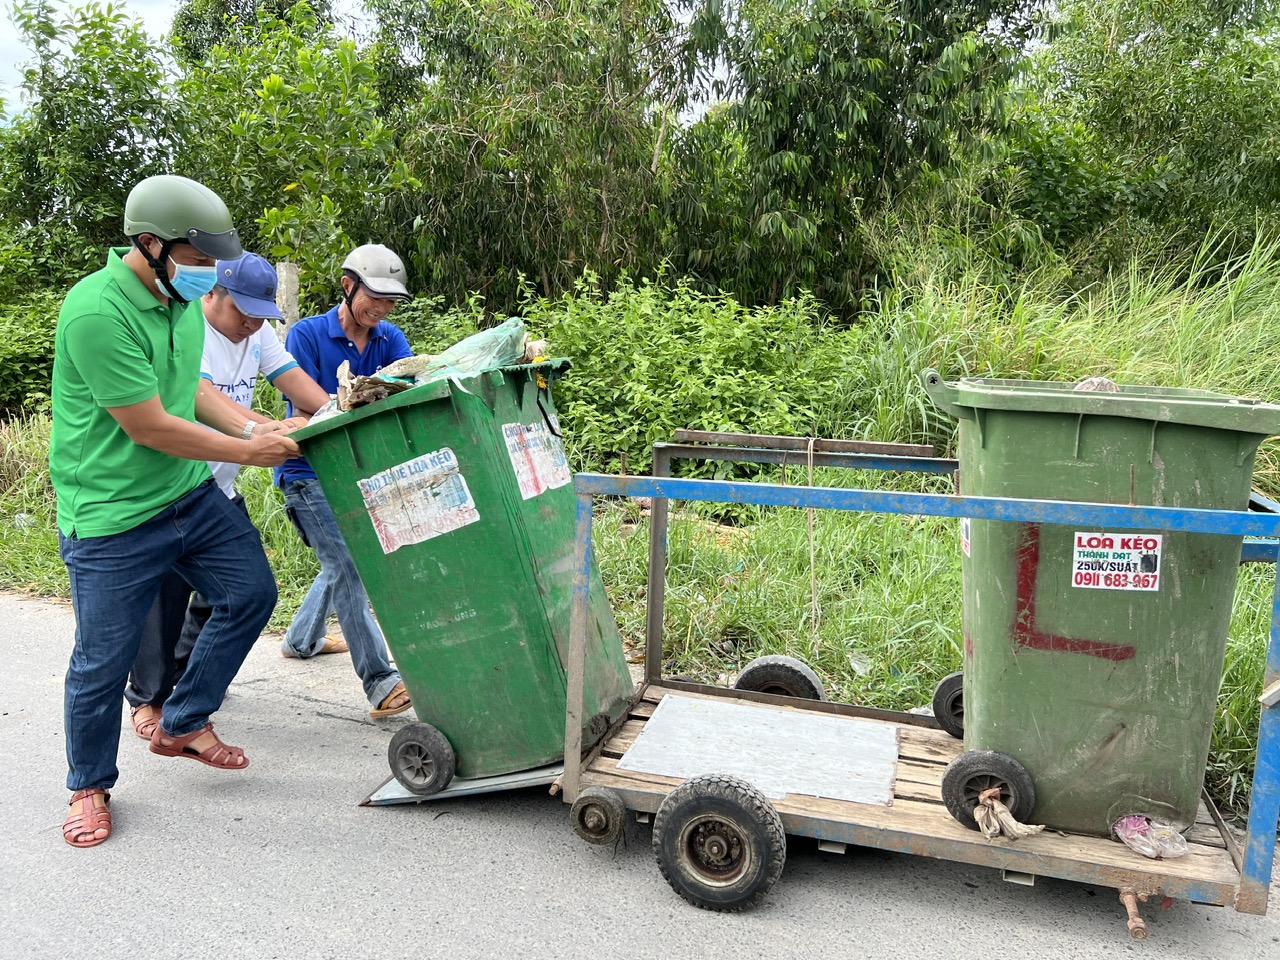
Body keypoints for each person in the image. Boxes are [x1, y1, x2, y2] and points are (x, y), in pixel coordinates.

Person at [52, 175, 299, 848]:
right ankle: (88, 785)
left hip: (187, 494)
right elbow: (152, 424)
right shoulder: (98, 312)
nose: (205, 279)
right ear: (150, 244)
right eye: (196, 264)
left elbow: (186, 386)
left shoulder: (177, 299)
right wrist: (249, 455)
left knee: (250, 592)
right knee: (101, 662)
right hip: (114, 515)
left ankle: (183, 719)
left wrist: (251, 430)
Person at [124, 253, 339, 743]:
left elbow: (294, 381)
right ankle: (148, 699)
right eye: (242, 310)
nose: (250, 322)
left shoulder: (257, 330)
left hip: (220, 485)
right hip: (174, 487)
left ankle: (187, 687)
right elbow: (200, 397)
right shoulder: (187, 330)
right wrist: (262, 430)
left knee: (234, 592)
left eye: (261, 313)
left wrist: (335, 409)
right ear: (211, 294)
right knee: (164, 605)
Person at [275, 244, 414, 718]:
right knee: (351, 565)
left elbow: (402, 396)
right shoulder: (307, 336)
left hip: (363, 470)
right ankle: (380, 680)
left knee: (343, 559)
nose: (382, 308)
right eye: (375, 296)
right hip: (308, 473)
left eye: (391, 300)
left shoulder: (389, 339)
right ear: (348, 284)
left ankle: (300, 638)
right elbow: (303, 412)